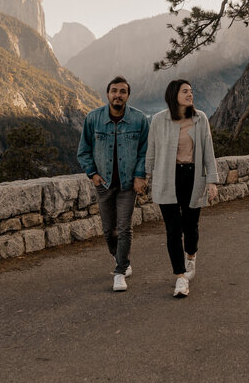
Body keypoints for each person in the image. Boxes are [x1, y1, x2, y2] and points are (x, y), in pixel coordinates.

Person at [145, 79, 219, 298]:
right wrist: (144, 176)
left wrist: (212, 180)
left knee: (191, 224)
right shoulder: (158, 120)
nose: (190, 94)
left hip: (193, 176)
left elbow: (208, 150)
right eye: (185, 91)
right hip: (167, 177)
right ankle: (180, 277)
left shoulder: (200, 119)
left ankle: (191, 256)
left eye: (191, 91)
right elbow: (151, 150)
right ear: (173, 94)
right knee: (173, 229)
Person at [77, 76, 149, 292]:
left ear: (128, 95)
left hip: (128, 185)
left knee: (124, 228)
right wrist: (93, 175)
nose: (118, 95)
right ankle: (120, 258)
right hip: (104, 184)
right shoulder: (93, 119)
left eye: (123, 91)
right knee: (109, 231)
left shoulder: (139, 120)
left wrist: (139, 175)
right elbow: (83, 150)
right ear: (107, 94)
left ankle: (120, 271)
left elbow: (145, 150)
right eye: (114, 91)